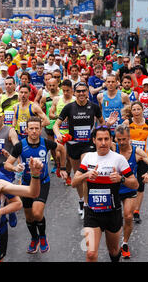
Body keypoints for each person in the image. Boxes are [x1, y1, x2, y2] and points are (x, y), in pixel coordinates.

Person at [72, 126, 138, 262]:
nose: (103, 142)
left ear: (111, 140)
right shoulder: (88, 158)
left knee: (114, 251)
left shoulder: (118, 159)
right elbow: (74, 182)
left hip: (112, 213)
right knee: (90, 254)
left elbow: (135, 184)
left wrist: (121, 179)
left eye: (106, 139)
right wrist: (86, 175)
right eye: (100, 139)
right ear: (94, 140)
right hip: (92, 213)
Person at [4, 116, 67, 254]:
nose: (33, 131)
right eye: (31, 128)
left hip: (42, 181)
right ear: (26, 130)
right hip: (26, 184)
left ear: (40, 130)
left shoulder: (46, 143)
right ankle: (34, 238)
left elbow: (62, 149)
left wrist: (62, 168)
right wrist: (16, 168)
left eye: (36, 129)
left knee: (37, 213)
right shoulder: (20, 146)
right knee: (29, 217)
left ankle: (43, 236)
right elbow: (8, 164)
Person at [54, 82, 116, 218]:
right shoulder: (69, 107)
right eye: (79, 91)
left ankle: (87, 205)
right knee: (78, 176)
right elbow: (56, 125)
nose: (81, 94)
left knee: (86, 171)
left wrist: (108, 124)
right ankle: (81, 200)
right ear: (74, 93)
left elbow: (102, 123)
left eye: (84, 91)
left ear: (87, 92)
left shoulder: (93, 107)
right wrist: (58, 134)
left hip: (88, 145)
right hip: (73, 145)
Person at [112, 125, 148, 259]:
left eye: (124, 139)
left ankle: (125, 243)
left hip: (129, 189)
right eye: (119, 139)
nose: (121, 142)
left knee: (128, 216)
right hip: (113, 189)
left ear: (129, 138)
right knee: (114, 221)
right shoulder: (112, 148)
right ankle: (113, 242)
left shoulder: (137, 152)